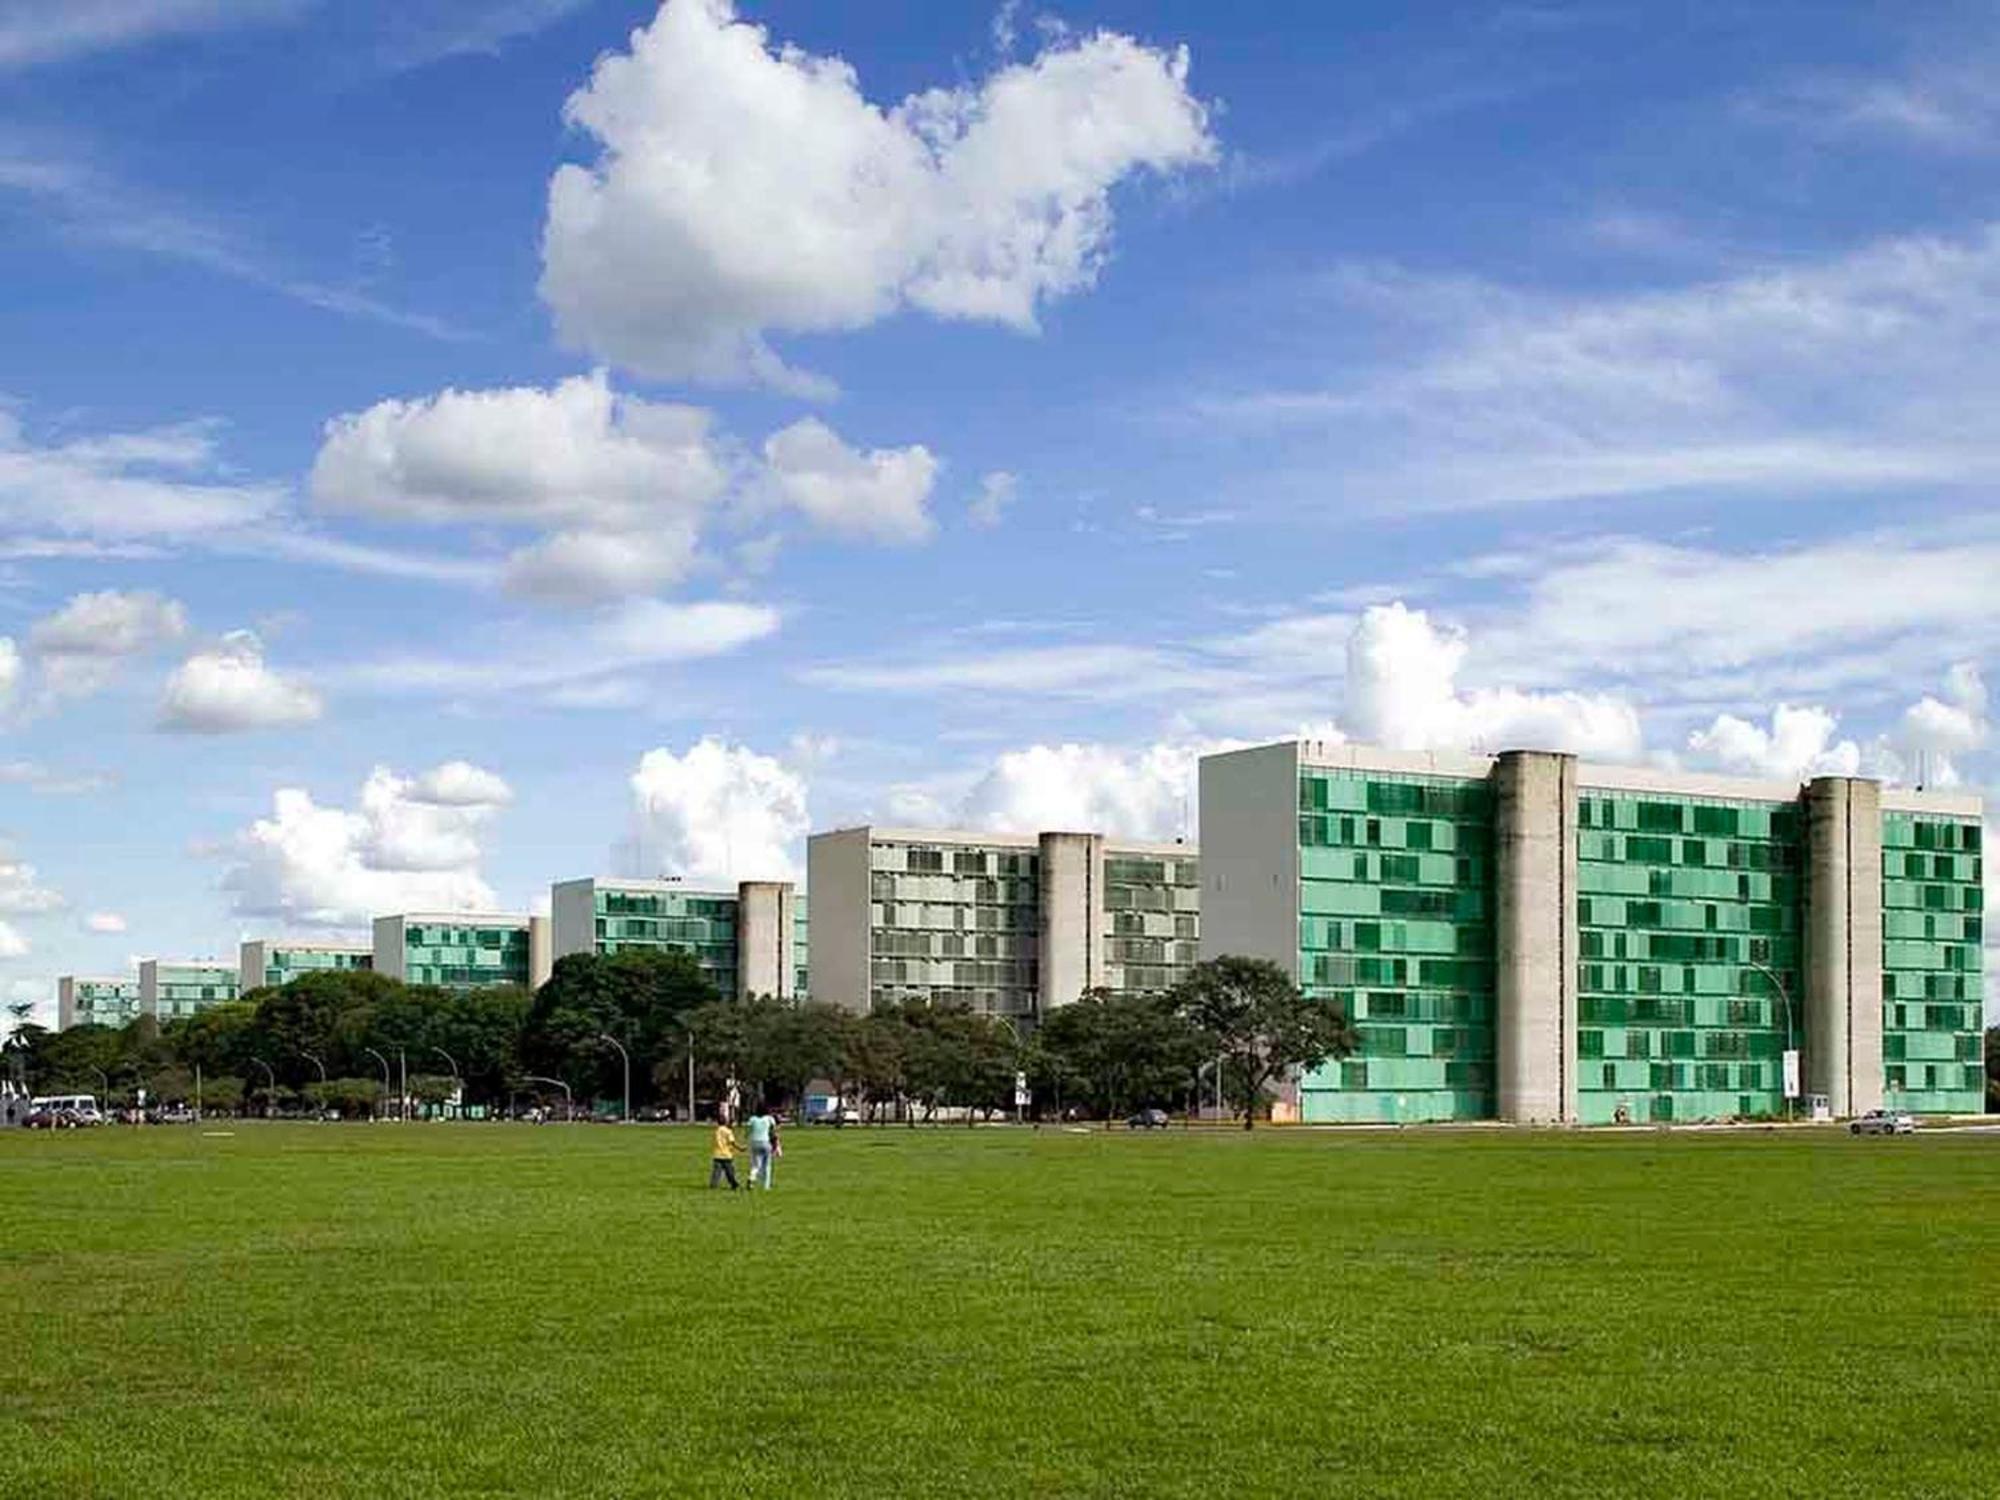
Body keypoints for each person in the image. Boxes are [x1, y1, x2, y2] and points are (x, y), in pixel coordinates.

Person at [746, 1105, 778, 1190]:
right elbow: (773, 1132)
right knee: (767, 1165)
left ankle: (752, 1177)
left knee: (755, 1164)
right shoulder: (769, 1119)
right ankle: (766, 1186)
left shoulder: (752, 1119)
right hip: (765, 1142)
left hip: (754, 1143)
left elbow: (748, 1131)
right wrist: (776, 1145)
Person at [708, 1118, 740, 1190]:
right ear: (725, 1122)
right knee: (730, 1171)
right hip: (726, 1154)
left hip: (717, 1154)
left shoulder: (717, 1131)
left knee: (716, 1172)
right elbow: (732, 1142)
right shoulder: (728, 1131)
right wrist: (740, 1148)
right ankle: (734, 1184)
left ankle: (713, 1185)